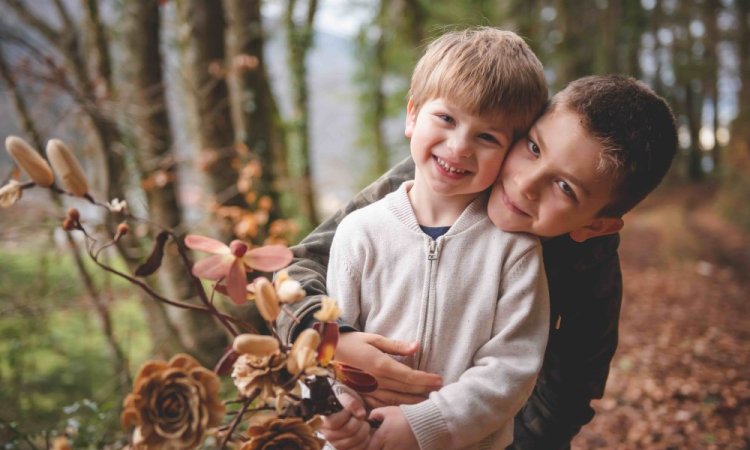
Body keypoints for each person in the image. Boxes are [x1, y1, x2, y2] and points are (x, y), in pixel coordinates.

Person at [279, 76, 677, 450]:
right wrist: (335, 340)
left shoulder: (591, 260)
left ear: (595, 225)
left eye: (564, 187)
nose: (525, 184)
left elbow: (572, 385)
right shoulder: (441, 178)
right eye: (534, 147)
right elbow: (297, 269)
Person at [320, 27, 550, 450]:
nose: (460, 147)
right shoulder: (360, 232)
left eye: (487, 137)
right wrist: (337, 412)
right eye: (446, 119)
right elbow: (327, 344)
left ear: (510, 153)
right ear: (412, 115)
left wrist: (426, 424)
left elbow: (512, 368)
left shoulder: (513, 249)